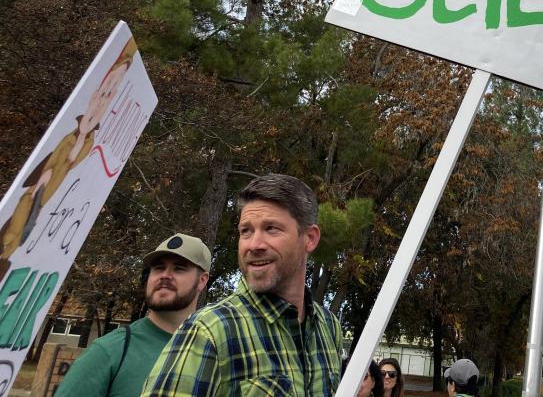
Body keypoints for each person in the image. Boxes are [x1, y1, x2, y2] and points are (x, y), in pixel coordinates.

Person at [143, 173, 343, 397]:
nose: (254, 245)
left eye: (271, 228)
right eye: (245, 231)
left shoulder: (328, 327)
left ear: (310, 238)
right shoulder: (209, 330)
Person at [0, 37, 137, 281]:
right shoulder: (69, 135)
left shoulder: (87, 142)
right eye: (103, 91)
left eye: (109, 95)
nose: (102, 100)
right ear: (95, 91)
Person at [57, 233, 211, 397]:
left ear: (202, 281)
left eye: (179, 268)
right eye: (158, 268)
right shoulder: (108, 351)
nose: (165, 275)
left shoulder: (213, 352)